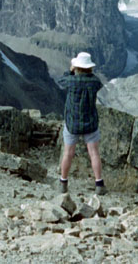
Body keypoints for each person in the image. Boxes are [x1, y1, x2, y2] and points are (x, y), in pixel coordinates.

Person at [56, 51, 107, 195]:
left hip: (72, 123)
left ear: (77, 66)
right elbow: (98, 83)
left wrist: (70, 71)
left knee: (68, 153)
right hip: (90, 123)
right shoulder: (95, 82)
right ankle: (99, 184)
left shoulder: (71, 81)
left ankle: (63, 183)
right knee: (94, 153)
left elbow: (61, 81)